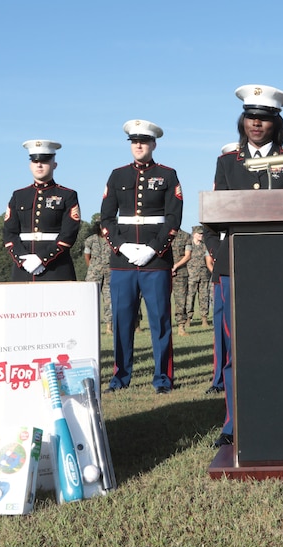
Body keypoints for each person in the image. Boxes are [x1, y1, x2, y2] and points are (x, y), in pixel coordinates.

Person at [206, 85, 283, 447]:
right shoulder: (227, 162)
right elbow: (213, 218)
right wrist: (216, 250)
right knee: (239, 348)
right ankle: (234, 424)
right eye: (250, 117)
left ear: (276, 122)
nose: (256, 124)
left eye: (263, 118)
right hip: (238, 266)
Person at [100, 120, 182, 394]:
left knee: (160, 321)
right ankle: (120, 377)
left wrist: (152, 248)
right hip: (122, 262)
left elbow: (173, 218)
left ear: (154, 144)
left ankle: (163, 379)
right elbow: (107, 218)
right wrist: (121, 246)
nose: (138, 145)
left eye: (144, 141)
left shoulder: (168, 175)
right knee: (122, 322)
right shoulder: (116, 175)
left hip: (156, 260)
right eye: (134, 141)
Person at [3, 140, 81, 282]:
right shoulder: (18, 196)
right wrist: (23, 259)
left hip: (56, 267)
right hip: (23, 268)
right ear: (30, 165)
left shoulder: (67, 195)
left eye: (45, 160)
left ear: (54, 164)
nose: (39, 164)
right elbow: (9, 233)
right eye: (35, 161)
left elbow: (68, 233)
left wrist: (42, 259)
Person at [83, 214, 113, 335]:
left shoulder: (113, 239)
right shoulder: (90, 240)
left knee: (109, 300)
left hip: (109, 274)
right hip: (93, 274)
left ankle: (109, 327)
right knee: (90, 300)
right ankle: (89, 326)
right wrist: (92, 267)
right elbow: (87, 255)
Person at [184, 226, 211, 332]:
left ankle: (204, 318)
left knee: (204, 297)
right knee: (190, 297)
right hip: (191, 275)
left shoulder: (205, 245)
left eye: (202, 234)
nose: (201, 235)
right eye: (199, 234)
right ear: (194, 234)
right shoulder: (189, 245)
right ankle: (188, 318)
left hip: (204, 274)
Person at [170, 229, 191, 336]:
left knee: (181, 301)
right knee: (161, 301)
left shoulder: (186, 236)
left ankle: (181, 327)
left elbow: (188, 255)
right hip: (163, 271)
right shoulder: (161, 233)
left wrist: (175, 266)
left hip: (180, 273)